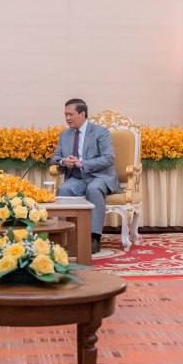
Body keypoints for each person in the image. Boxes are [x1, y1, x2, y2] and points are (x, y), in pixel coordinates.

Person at [50, 98, 118, 252]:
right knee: (64, 189)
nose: (67, 118)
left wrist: (82, 163)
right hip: (78, 178)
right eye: (65, 115)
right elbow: (55, 158)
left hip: (99, 176)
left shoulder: (100, 132)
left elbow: (108, 158)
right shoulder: (64, 135)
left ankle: (94, 237)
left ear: (82, 114)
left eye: (70, 114)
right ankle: (67, 235)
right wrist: (64, 162)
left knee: (93, 189)